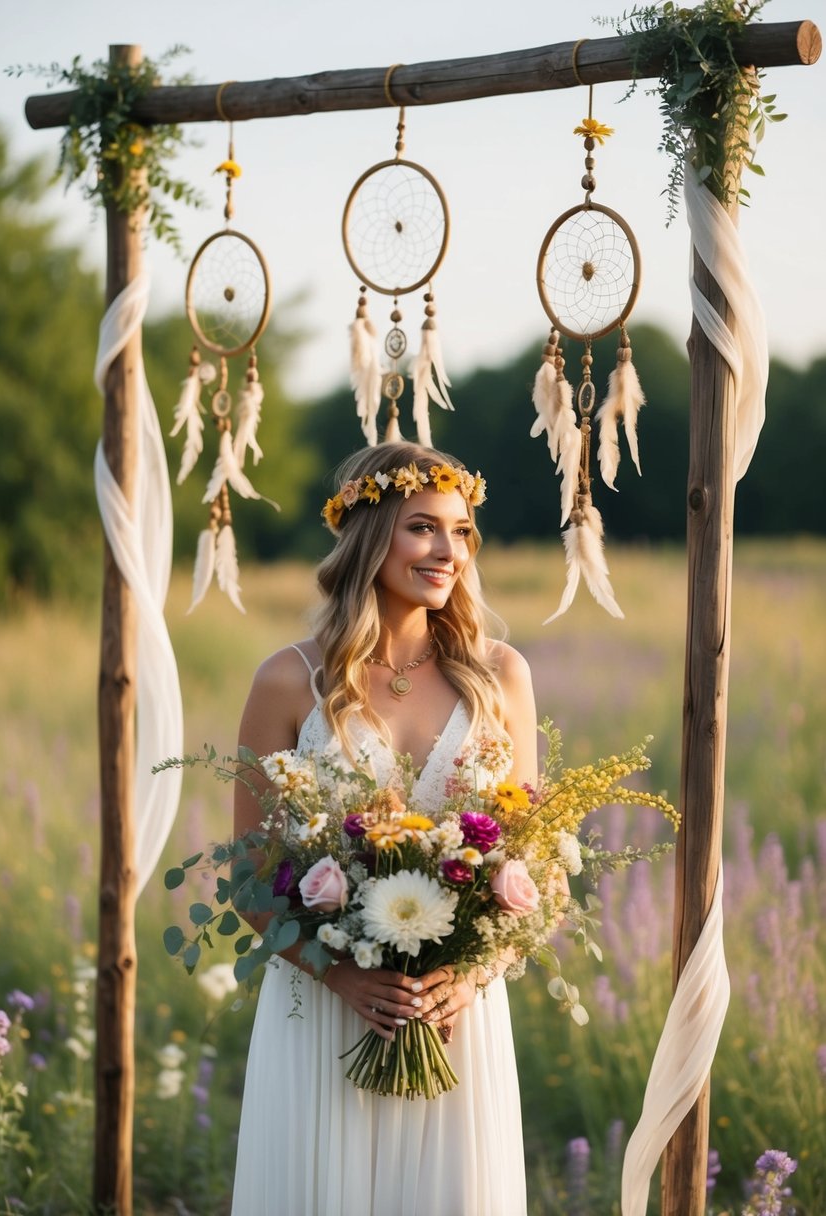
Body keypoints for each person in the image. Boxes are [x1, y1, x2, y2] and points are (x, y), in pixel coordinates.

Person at [230, 441, 538, 1216]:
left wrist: (466, 974)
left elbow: (532, 868)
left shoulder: (500, 675)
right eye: (423, 527)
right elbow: (247, 874)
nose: (448, 552)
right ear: (370, 537)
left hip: (453, 1016)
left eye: (461, 531)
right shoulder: (286, 679)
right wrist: (341, 976)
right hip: (324, 1011)